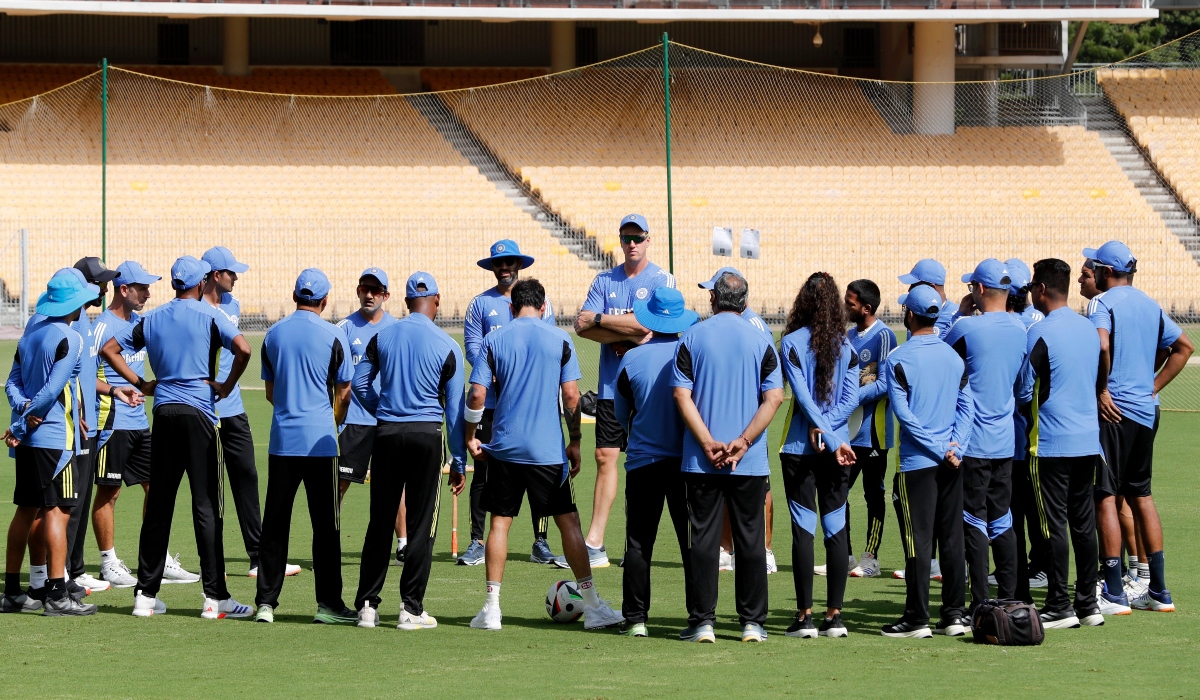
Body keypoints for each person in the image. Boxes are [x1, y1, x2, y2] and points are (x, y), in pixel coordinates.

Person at [101, 255, 254, 619]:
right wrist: (226, 385)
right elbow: (244, 349)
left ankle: (145, 596)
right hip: (200, 415)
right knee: (206, 506)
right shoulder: (210, 315)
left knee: (158, 507)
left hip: (164, 415)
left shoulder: (152, 319)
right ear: (201, 284)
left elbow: (109, 349)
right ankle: (215, 598)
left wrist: (142, 383)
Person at [466, 279, 622, 631]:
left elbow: (477, 395)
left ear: (511, 308)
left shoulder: (494, 339)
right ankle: (593, 606)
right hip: (547, 451)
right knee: (568, 522)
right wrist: (576, 440)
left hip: (505, 447)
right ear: (544, 306)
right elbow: (571, 398)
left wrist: (470, 436)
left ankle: (492, 608)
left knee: (500, 523)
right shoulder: (560, 338)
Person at [672, 270, 784, 643]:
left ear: (713, 300)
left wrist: (706, 441)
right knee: (750, 541)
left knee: (702, 540)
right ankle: (753, 623)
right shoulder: (761, 340)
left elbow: (681, 395)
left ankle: (702, 622)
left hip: (701, 461)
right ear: (746, 301)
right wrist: (745, 440)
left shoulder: (692, 337)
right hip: (748, 461)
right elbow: (774, 398)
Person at [352, 272, 466, 630]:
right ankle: (410, 608)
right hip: (426, 435)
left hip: (386, 433)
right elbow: (455, 410)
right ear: (436, 300)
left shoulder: (383, 336)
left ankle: (367, 607)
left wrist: (383, 408)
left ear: (404, 302)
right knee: (420, 525)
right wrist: (459, 459)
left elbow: (359, 383)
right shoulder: (448, 344)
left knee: (380, 521)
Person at [1085, 240, 1193, 612]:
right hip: (1147, 412)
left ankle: (1114, 591)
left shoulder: (1101, 303)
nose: (1094, 272)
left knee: (1106, 496)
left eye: (1096, 266)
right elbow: (1183, 347)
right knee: (1142, 495)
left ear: (1107, 272)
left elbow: (1100, 345)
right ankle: (1159, 591)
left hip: (1113, 412)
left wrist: (1101, 389)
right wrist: (1153, 387)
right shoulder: (1151, 304)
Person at [252, 269, 356, 625]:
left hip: (283, 439)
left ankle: (265, 603)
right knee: (326, 526)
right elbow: (344, 393)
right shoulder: (334, 335)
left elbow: (270, 392)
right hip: (321, 442)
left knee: (275, 524)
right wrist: (331, 419)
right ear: (325, 301)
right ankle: (328, 604)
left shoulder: (273, 334)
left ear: (294, 295)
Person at [575, 214, 676, 567]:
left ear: (649, 240)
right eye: (626, 238)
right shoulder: (605, 279)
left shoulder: (661, 279)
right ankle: (595, 543)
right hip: (608, 387)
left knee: (642, 462)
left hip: (647, 386)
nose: (631, 244)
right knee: (605, 457)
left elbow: (655, 326)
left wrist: (608, 323)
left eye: (638, 238)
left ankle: (637, 544)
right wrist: (629, 332)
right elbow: (583, 325)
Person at [1, 270, 99, 615]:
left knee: (26, 511)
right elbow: (52, 391)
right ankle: (57, 595)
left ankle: (13, 592)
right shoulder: (71, 338)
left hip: (30, 442)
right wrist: (27, 421)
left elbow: (13, 382)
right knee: (58, 513)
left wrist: (21, 416)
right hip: (58, 441)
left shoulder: (31, 332)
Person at [880, 285, 973, 639]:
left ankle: (917, 618)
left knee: (916, 542)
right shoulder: (952, 357)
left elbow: (904, 414)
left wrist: (937, 447)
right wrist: (956, 447)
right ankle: (953, 615)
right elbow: (967, 407)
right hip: (952, 462)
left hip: (918, 464)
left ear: (911, 315)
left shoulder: (899, 358)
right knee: (952, 540)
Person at [1016, 258, 1104, 628]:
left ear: (1040, 290)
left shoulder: (1040, 333)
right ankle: (1088, 604)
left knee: (1052, 524)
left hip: (1050, 443)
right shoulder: (1087, 328)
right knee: (1083, 524)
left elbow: (1023, 388)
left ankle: (1058, 604)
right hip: (1088, 441)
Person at [201, 246, 298, 579]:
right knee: (211, 488)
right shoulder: (195, 306)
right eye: (231, 272)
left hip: (234, 407)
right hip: (203, 411)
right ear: (215, 275)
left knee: (247, 477)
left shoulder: (234, 305)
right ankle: (212, 564)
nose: (236, 278)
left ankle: (259, 558)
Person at [462, 241, 559, 567]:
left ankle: (540, 541)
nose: (504, 268)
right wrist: (497, 376)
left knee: (539, 470)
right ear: (492, 267)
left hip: (532, 404)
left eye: (509, 262)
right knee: (484, 472)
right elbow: (473, 348)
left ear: (519, 264)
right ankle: (477, 541)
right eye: (498, 263)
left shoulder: (542, 304)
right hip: (491, 403)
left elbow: (551, 347)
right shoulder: (479, 304)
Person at [612, 287, 699, 638]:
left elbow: (621, 413)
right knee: (692, 542)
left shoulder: (631, 359)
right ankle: (699, 616)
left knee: (638, 542)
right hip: (687, 463)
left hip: (643, 462)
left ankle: (635, 619)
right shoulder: (692, 353)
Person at [943, 259, 1028, 613]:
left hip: (970, 440)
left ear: (978, 289)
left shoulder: (966, 327)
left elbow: (940, 361)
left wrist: (957, 316)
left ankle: (980, 602)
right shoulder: (1022, 328)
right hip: (1005, 441)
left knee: (973, 519)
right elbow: (1023, 389)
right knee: (1003, 518)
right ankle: (1009, 597)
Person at [778, 272, 859, 639]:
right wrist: (831, 430)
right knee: (836, 527)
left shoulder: (791, 343)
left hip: (800, 447)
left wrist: (818, 426)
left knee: (803, 529)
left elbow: (800, 393)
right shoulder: (849, 348)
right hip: (840, 447)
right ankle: (835, 617)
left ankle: (804, 617)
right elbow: (850, 400)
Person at [699, 267, 778, 576]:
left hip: (750, 420)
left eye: (713, 292)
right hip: (729, 416)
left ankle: (766, 549)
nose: (709, 298)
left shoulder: (754, 326)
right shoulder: (723, 325)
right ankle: (726, 547)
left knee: (761, 487)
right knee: (726, 485)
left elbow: (768, 381)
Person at [91, 262, 159, 589]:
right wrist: (117, 391)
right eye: (141, 288)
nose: (147, 293)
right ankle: (108, 562)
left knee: (155, 487)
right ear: (123, 290)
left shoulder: (140, 323)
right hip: (111, 421)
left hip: (139, 421)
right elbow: (85, 376)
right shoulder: (101, 328)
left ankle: (153, 556)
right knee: (110, 491)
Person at [336, 268, 404, 566]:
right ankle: (328, 535)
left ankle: (402, 544)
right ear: (358, 290)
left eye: (376, 290)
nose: (370, 294)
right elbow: (334, 377)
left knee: (395, 484)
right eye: (365, 288)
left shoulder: (397, 329)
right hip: (354, 421)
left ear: (386, 296)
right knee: (338, 482)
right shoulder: (344, 328)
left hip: (388, 420)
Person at [64, 257, 119, 594]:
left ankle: (76, 567)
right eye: (100, 283)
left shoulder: (84, 318)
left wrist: (113, 390)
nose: (105, 288)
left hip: (88, 424)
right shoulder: (71, 322)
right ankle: (65, 571)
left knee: (81, 499)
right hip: (73, 425)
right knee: (69, 503)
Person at [1003, 258, 1049, 602]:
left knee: (1029, 502)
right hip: (1030, 424)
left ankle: (1040, 565)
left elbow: (1022, 386)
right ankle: (1031, 564)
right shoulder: (1033, 320)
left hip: (1025, 424)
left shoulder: (1025, 324)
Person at [844, 278, 896, 579]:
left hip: (874, 431)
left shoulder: (885, 336)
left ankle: (871, 557)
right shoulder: (848, 336)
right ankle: (846, 555)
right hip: (847, 432)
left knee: (873, 493)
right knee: (838, 493)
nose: (845, 306)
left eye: (850, 302)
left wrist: (851, 399)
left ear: (866, 307)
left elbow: (886, 383)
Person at [898, 259, 957, 339]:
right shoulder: (915, 312)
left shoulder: (956, 318)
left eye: (914, 285)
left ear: (931, 288)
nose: (909, 289)